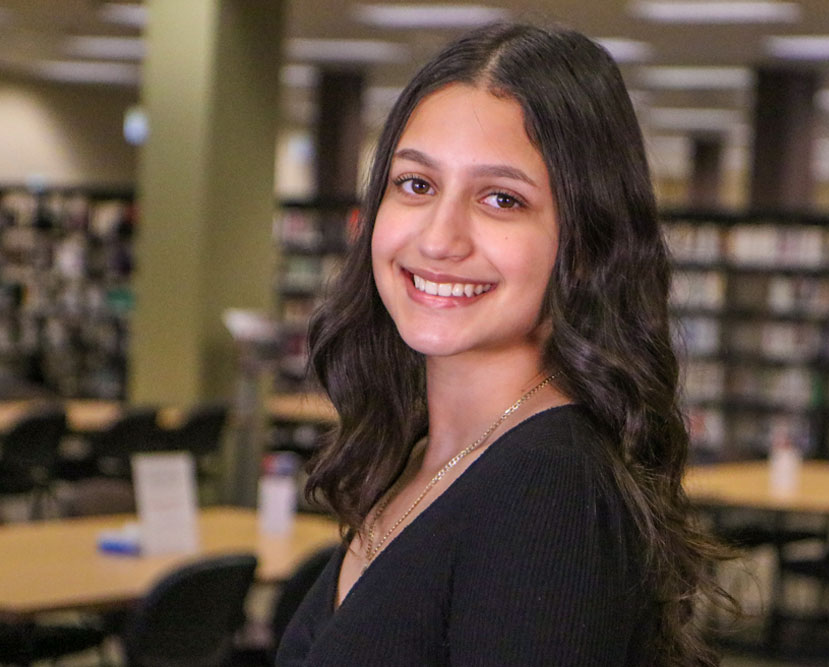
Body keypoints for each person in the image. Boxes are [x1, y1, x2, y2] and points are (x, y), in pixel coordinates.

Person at [278, 21, 726, 666]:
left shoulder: (547, 489)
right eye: (416, 185)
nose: (439, 239)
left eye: (500, 199)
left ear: (583, 238)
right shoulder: (423, 452)